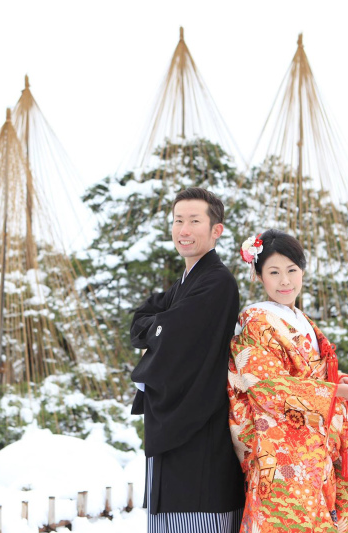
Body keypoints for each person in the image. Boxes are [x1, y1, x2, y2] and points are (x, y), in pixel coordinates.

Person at [227, 229, 348, 533]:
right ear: (258, 276)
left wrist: (339, 381)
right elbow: (266, 388)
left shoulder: (302, 321)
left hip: (318, 444)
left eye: (292, 270)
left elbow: (316, 373)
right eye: (274, 272)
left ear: (302, 271)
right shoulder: (255, 321)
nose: (285, 281)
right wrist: (331, 391)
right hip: (282, 452)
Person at [130, 187, 245, 533]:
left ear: (216, 230)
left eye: (195, 220)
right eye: (178, 220)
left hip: (199, 422)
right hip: (176, 422)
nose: (184, 229)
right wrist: (158, 326)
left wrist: (157, 326)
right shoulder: (185, 284)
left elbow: (172, 333)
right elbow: (141, 322)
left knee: (199, 517)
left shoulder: (217, 282)